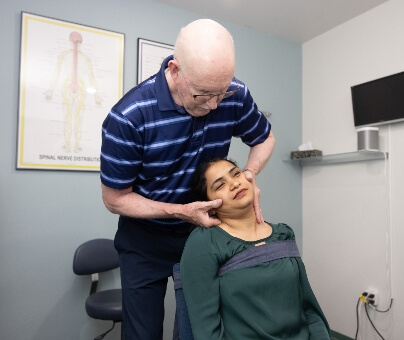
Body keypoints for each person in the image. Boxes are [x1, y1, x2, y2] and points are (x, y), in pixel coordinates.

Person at [100, 19, 275, 339]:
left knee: (198, 330)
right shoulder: (128, 117)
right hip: (144, 240)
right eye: (202, 94)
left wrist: (248, 176)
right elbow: (114, 198)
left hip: (202, 234)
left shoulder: (234, 94)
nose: (213, 105)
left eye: (220, 94)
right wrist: (178, 210)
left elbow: (264, 139)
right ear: (175, 69)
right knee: (142, 333)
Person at [180, 158, 331, 339]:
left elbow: (310, 310)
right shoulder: (204, 242)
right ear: (209, 206)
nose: (234, 184)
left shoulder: (283, 233)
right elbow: (206, 331)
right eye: (220, 185)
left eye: (236, 173)